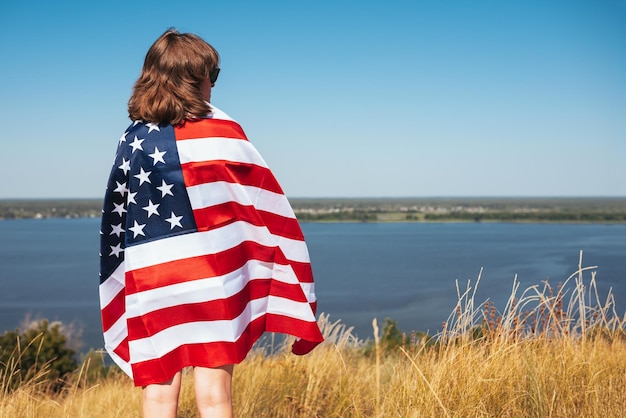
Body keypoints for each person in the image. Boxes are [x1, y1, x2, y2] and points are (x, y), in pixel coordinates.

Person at [99, 28, 324, 418]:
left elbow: (117, 218)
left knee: (158, 393)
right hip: (212, 276)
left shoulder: (132, 139)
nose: (214, 85)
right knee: (215, 394)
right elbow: (261, 206)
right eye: (213, 75)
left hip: (152, 278)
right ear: (197, 78)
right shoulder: (222, 131)